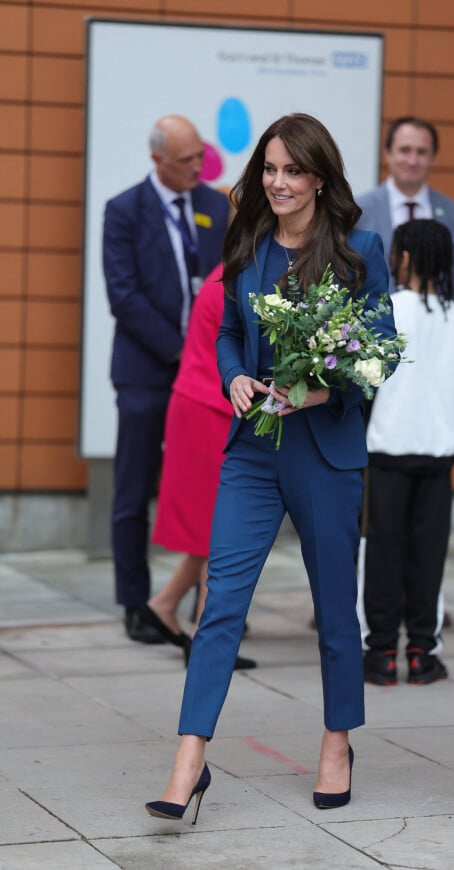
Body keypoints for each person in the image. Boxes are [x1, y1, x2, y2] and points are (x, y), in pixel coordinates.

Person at [144, 112, 397, 824]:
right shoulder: (247, 243)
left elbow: (379, 355)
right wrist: (233, 378)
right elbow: (228, 332)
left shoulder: (358, 252)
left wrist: (322, 387)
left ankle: (337, 743)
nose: (278, 182)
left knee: (332, 613)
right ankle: (189, 760)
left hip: (326, 454)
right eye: (269, 169)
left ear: (318, 177)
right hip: (254, 449)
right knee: (219, 604)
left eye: (292, 170)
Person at [102, 114, 230, 645]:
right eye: (186, 161)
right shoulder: (124, 210)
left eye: (200, 157)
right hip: (146, 373)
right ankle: (137, 603)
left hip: (203, 380)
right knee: (133, 491)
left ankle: (206, 605)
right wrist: (183, 353)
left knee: (212, 489)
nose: (197, 168)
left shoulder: (214, 206)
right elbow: (124, 296)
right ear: (157, 160)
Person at [363, 219, 454, 686]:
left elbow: (365, 385)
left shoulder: (385, 309)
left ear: (404, 258)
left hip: (386, 457)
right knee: (429, 558)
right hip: (438, 461)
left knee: (381, 555)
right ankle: (422, 654)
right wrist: (453, 448)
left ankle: (381, 653)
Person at [137, 264, 256, 672]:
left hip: (204, 404)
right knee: (223, 532)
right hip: (211, 409)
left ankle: (165, 605)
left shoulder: (226, 274)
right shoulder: (238, 279)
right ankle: (210, 642)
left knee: (212, 530)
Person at [356, 116, 454, 304]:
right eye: (404, 150)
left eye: (421, 152)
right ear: (387, 152)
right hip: (371, 329)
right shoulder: (357, 212)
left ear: (433, 156)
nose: (412, 160)